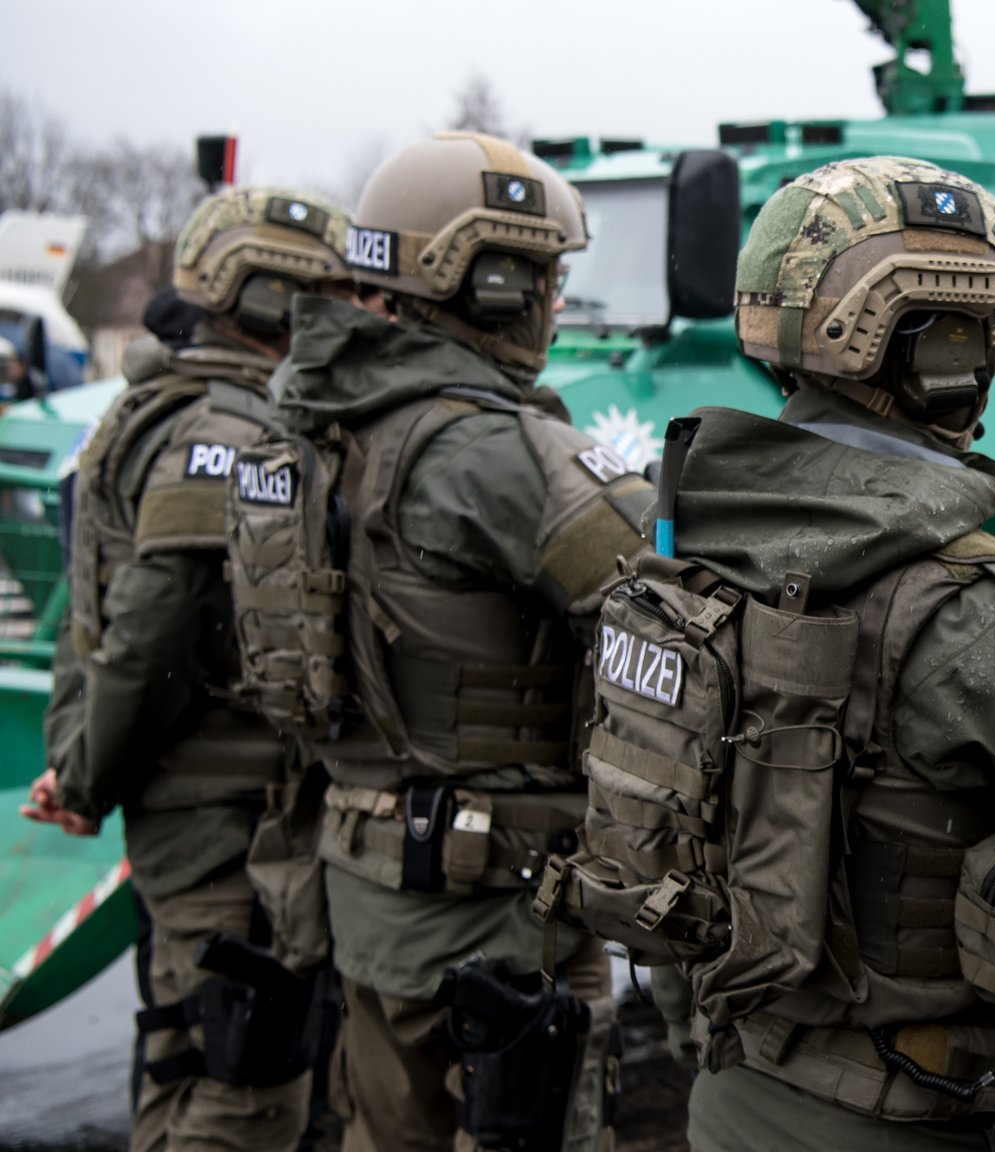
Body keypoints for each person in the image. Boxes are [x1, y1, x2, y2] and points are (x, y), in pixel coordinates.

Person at [536, 155, 995, 1152]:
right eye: (981, 329)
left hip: (736, 1096)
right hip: (940, 1121)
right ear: (939, 351)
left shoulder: (677, 563)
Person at [238, 132, 649, 1152]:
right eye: (545, 277)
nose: (557, 302)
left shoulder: (308, 421)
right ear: (491, 281)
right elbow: (674, 609)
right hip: (500, 920)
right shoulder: (496, 451)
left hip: (367, 890)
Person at [26, 185, 357, 1152]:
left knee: (183, 1055)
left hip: (198, 820)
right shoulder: (223, 436)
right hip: (228, 829)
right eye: (318, 297)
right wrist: (87, 775)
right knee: (245, 1092)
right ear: (269, 302)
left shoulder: (161, 409)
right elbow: (147, 634)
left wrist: (83, 768)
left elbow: (89, 625)